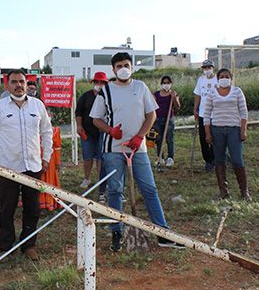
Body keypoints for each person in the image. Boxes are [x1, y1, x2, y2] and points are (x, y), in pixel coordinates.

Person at [90, 52, 184, 251]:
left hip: (138, 149)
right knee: (115, 190)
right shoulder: (106, 91)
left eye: (126, 64)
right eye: (119, 66)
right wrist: (109, 130)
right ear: (113, 69)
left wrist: (140, 136)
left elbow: (151, 115)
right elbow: (96, 119)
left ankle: (162, 233)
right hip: (113, 149)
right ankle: (117, 230)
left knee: (149, 189)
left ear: (131, 67)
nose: (123, 68)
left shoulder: (140, 87)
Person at [0, 69, 53, 261]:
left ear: (26, 83)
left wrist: (46, 157)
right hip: (8, 167)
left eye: (22, 81)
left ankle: (29, 245)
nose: (18, 85)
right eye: (14, 82)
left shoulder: (37, 105)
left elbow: (47, 132)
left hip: (33, 165)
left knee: (32, 208)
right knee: (7, 208)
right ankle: (6, 246)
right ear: (7, 85)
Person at [203, 68, 251, 200]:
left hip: (234, 130)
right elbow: (207, 114)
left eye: (227, 76)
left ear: (231, 78)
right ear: (218, 79)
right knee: (219, 160)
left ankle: (244, 191)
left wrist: (243, 130)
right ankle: (223, 191)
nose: (224, 78)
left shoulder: (237, 91)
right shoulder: (212, 93)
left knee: (237, 159)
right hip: (217, 129)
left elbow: (243, 112)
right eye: (222, 76)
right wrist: (208, 133)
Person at [75, 72, 108, 200]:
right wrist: (79, 126)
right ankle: (87, 178)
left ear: (105, 84)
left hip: (103, 132)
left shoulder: (108, 96)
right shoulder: (85, 96)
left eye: (101, 83)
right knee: (88, 157)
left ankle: (101, 182)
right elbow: (79, 112)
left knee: (101, 158)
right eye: (97, 82)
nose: (99, 85)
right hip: (87, 132)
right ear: (93, 83)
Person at [193, 59, 218, 172]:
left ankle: (215, 159)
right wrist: (195, 109)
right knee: (203, 138)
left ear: (213, 68)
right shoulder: (201, 80)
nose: (207, 70)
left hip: (215, 114)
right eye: (205, 68)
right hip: (203, 113)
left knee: (214, 138)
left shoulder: (218, 79)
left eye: (209, 68)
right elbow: (198, 95)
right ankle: (208, 161)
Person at [153, 75, 181, 167]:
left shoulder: (173, 94)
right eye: (164, 83)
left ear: (171, 84)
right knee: (159, 139)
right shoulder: (156, 94)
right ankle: (160, 157)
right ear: (161, 84)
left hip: (169, 119)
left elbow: (177, 108)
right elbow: (152, 106)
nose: (166, 85)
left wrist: (174, 98)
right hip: (158, 119)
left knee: (169, 139)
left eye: (168, 83)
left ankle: (170, 158)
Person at [39, 112, 61, 211]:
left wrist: (57, 162)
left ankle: (47, 202)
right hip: (35, 158)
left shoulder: (54, 131)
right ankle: (42, 202)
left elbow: (57, 147)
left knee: (47, 180)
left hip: (48, 159)